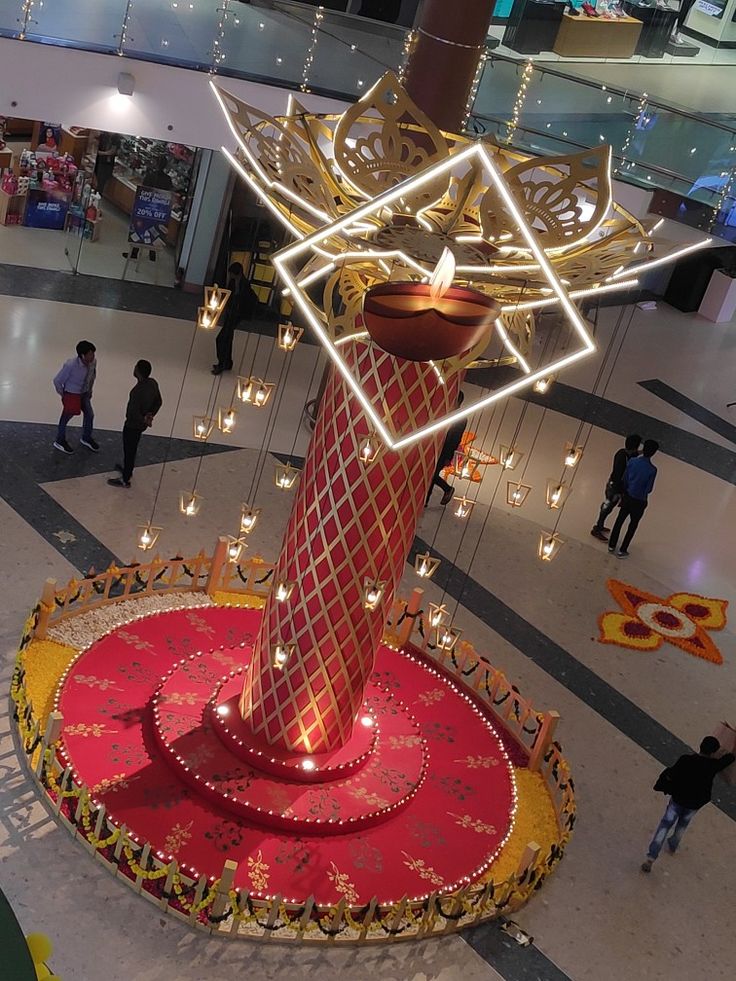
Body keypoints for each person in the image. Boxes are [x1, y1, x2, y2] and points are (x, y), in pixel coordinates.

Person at [641, 736, 734, 873]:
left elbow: (673, 773)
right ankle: (673, 845)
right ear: (713, 752)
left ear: (700, 746)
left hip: (678, 799)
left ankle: (651, 857)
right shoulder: (713, 766)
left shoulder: (685, 760)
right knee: (682, 825)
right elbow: (728, 759)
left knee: (665, 825)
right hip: (694, 804)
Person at [107, 360, 163, 489]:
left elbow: (132, 413)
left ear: (138, 372)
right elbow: (159, 401)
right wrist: (150, 415)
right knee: (132, 449)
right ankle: (128, 470)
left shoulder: (136, 392)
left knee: (129, 451)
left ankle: (125, 479)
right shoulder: (153, 384)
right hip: (140, 426)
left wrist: (144, 419)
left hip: (132, 426)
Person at [607, 438, 658, 558]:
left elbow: (625, 478)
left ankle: (612, 545)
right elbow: (649, 489)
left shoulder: (633, 462)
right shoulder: (652, 470)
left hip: (628, 496)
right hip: (639, 501)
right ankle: (623, 549)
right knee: (633, 525)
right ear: (654, 453)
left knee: (619, 520)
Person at [590, 433, 641, 542]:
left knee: (608, 507)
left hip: (614, 486)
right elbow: (618, 476)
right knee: (607, 506)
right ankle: (597, 528)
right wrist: (620, 493)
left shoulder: (624, 453)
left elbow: (635, 454)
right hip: (614, 488)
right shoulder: (622, 458)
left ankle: (600, 525)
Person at [52, 340, 98, 454]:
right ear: (82, 355)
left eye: (93, 353)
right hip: (72, 394)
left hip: (84, 393)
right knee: (66, 417)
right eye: (90, 354)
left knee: (90, 415)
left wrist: (90, 390)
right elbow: (57, 380)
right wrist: (64, 394)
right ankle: (60, 440)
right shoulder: (71, 365)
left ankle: (86, 437)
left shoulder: (93, 362)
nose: (93, 356)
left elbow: (92, 376)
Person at [212, 262, 256, 375]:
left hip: (236, 315)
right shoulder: (233, 282)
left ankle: (222, 363)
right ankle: (227, 362)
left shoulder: (245, 285)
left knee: (222, 338)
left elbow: (243, 300)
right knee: (227, 337)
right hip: (231, 313)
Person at [426, 392, 466, 506]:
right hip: (436, 449)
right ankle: (445, 490)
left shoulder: (460, 419)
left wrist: (448, 457)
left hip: (443, 452)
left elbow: (455, 439)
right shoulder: (445, 413)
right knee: (431, 474)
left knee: (432, 475)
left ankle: (442, 491)